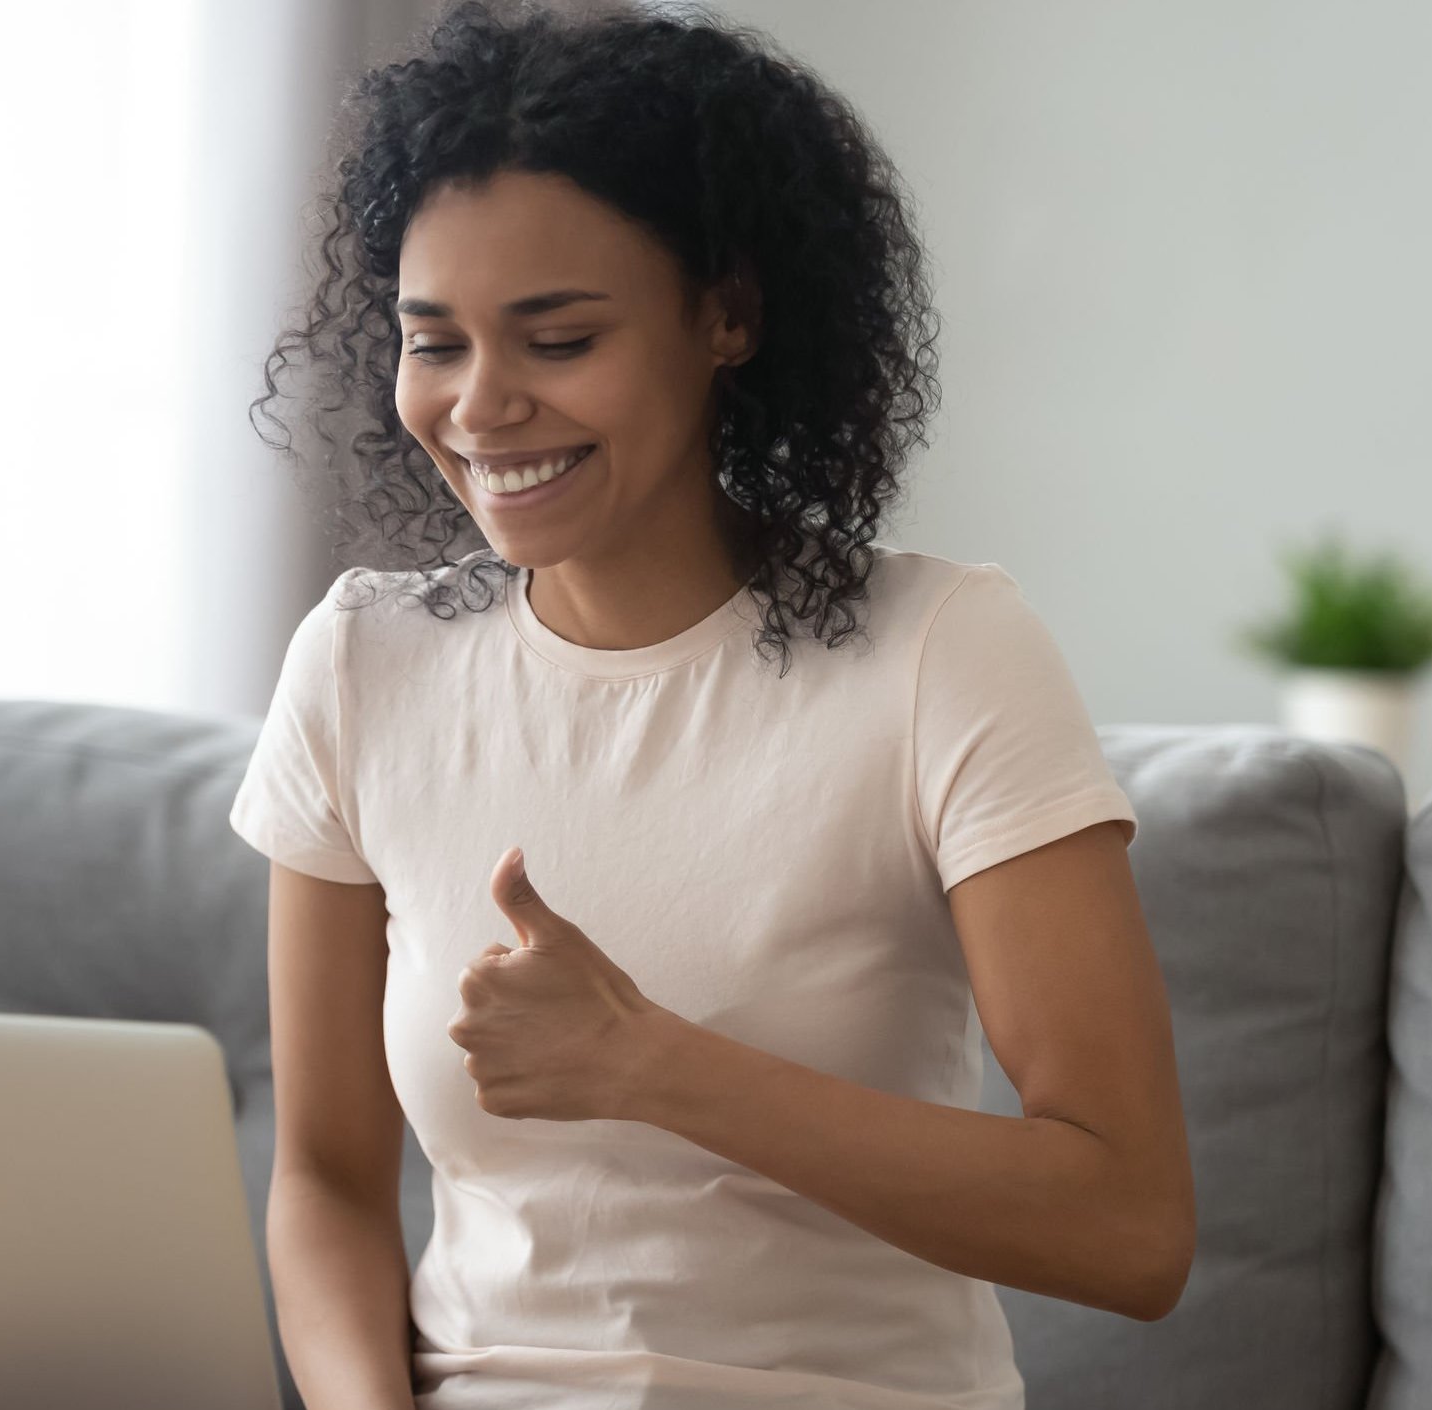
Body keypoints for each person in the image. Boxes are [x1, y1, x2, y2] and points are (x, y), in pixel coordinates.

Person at [230, 3, 1194, 1407]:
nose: (480, 404)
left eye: (556, 339)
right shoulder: (365, 661)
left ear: (727, 314)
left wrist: (655, 1066)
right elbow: (322, 1172)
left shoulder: (940, 655)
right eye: (435, 342)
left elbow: (1132, 1222)